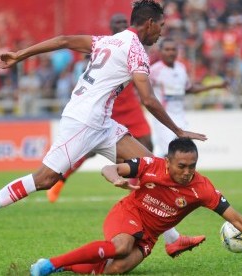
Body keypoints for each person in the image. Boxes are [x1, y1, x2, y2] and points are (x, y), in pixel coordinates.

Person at [0, 0, 207, 253]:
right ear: (150, 23)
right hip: (83, 121)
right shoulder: (136, 51)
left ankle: (172, 239)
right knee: (44, 179)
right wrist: (178, 131)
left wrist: (20, 55)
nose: (162, 32)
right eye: (161, 26)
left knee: (152, 167)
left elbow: (64, 40)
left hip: (101, 123)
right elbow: (149, 99)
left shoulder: (109, 40)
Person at [44, 12, 205, 258]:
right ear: (114, 28)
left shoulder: (137, 50)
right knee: (87, 153)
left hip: (128, 106)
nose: (122, 26)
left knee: (148, 153)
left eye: (123, 23)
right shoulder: (107, 45)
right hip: (103, 111)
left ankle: (169, 233)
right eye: (117, 24)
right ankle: (59, 180)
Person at [29, 138, 242, 276]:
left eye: (192, 166)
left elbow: (235, 218)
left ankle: (63, 267)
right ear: (168, 161)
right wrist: (116, 178)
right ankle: (50, 265)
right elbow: (109, 167)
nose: (187, 172)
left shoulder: (202, 188)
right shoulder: (150, 166)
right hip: (128, 213)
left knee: (114, 269)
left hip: (149, 236)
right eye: (181, 166)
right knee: (121, 246)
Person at [149, 38, 227, 157]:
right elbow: (143, 90)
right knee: (169, 154)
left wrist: (215, 86)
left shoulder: (181, 68)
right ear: (160, 52)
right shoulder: (154, 70)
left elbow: (189, 89)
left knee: (184, 153)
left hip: (180, 118)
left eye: (173, 49)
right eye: (167, 49)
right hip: (163, 119)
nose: (171, 52)